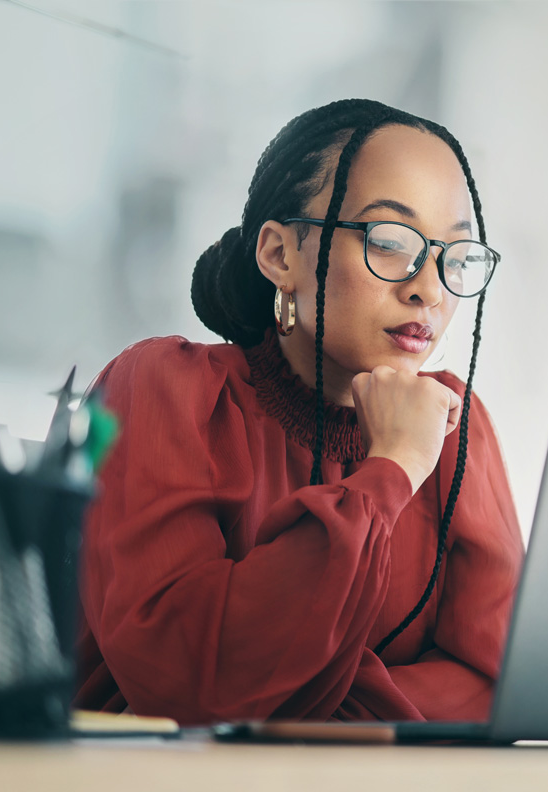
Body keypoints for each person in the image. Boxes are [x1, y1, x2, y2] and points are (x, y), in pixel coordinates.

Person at [73, 99, 523, 725]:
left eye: (454, 255)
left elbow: (498, 684)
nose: (428, 289)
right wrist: (393, 466)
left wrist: (301, 703)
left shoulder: (455, 425)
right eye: (389, 242)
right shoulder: (161, 388)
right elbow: (186, 680)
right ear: (281, 256)